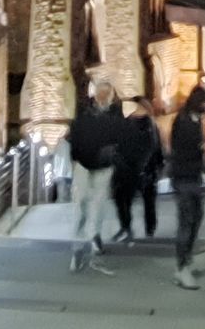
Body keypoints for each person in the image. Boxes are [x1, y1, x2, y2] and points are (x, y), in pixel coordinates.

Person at [66, 78, 123, 273]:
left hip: (103, 168)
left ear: (111, 96)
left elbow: (120, 139)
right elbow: (75, 134)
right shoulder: (84, 111)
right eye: (100, 93)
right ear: (95, 94)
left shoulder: (115, 115)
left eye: (106, 94)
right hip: (83, 166)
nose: (103, 97)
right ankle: (77, 249)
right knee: (80, 207)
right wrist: (75, 158)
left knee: (97, 210)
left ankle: (93, 249)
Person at [169, 84, 205, 290]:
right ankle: (182, 267)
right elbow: (181, 149)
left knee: (196, 218)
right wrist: (201, 148)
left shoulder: (194, 119)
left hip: (193, 176)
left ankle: (185, 259)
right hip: (184, 177)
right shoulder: (184, 121)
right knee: (187, 222)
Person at [111, 101, 164, 243]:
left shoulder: (150, 125)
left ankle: (149, 230)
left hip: (145, 169)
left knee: (147, 201)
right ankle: (127, 227)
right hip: (129, 168)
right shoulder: (126, 123)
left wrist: (157, 166)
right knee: (123, 199)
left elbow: (156, 148)